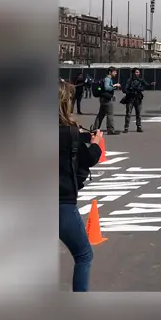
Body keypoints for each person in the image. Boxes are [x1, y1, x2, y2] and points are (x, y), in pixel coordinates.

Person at [59, 81, 104, 292]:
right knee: (84, 255)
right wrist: (95, 143)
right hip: (60, 202)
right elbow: (88, 158)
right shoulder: (69, 133)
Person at [90, 67, 121, 135]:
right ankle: (110, 130)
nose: (116, 73)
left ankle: (95, 129)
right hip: (106, 100)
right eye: (114, 72)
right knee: (110, 114)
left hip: (103, 99)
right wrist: (114, 86)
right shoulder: (107, 79)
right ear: (110, 72)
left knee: (101, 115)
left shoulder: (105, 79)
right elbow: (107, 87)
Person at [120, 68, 152, 133]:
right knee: (128, 113)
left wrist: (151, 85)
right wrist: (130, 91)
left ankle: (139, 126)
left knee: (138, 113)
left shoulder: (141, 80)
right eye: (136, 72)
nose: (138, 73)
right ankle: (126, 127)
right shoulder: (129, 81)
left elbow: (147, 86)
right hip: (130, 98)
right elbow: (124, 89)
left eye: (138, 72)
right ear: (133, 73)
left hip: (138, 98)